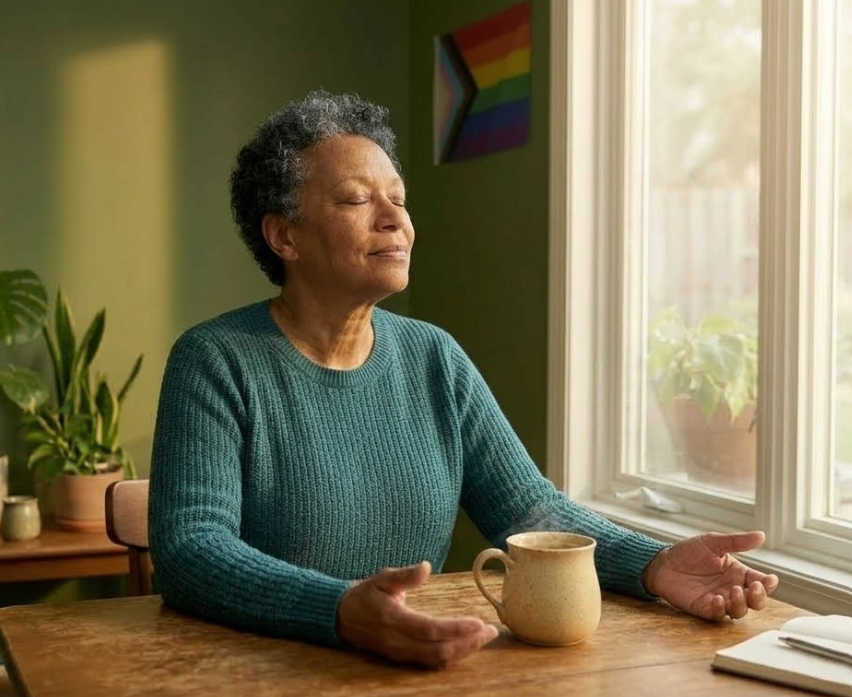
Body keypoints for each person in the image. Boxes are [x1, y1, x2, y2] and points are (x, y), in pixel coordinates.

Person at [148, 90, 779, 669]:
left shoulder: (435, 359)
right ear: (284, 235)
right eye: (356, 200)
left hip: (415, 670)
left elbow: (529, 509)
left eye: (398, 198)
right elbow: (191, 552)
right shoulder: (215, 360)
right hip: (260, 675)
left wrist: (655, 564)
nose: (394, 218)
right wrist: (340, 612)